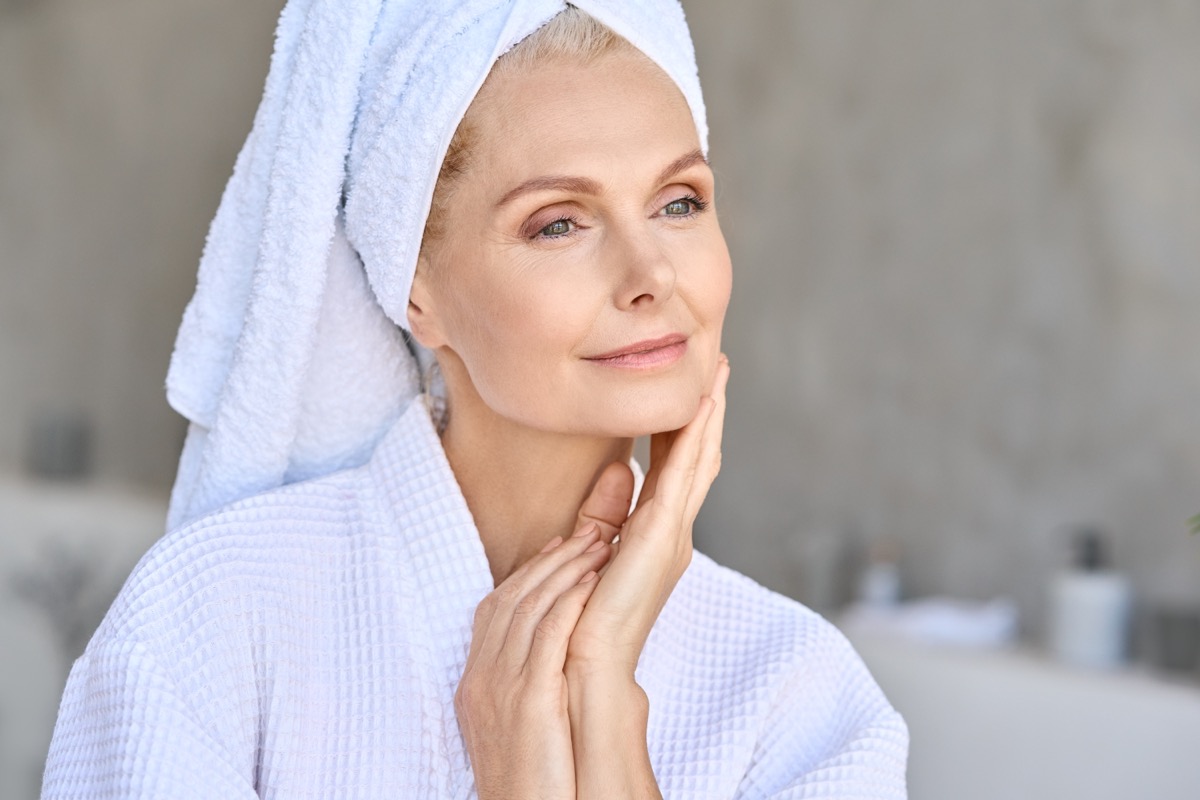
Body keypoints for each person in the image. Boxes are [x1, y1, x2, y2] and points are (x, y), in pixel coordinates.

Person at [42, 2, 908, 798]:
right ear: (415, 287)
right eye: (559, 222)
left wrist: (600, 696)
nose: (652, 276)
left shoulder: (802, 699)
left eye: (679, 202)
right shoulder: (214, 620)